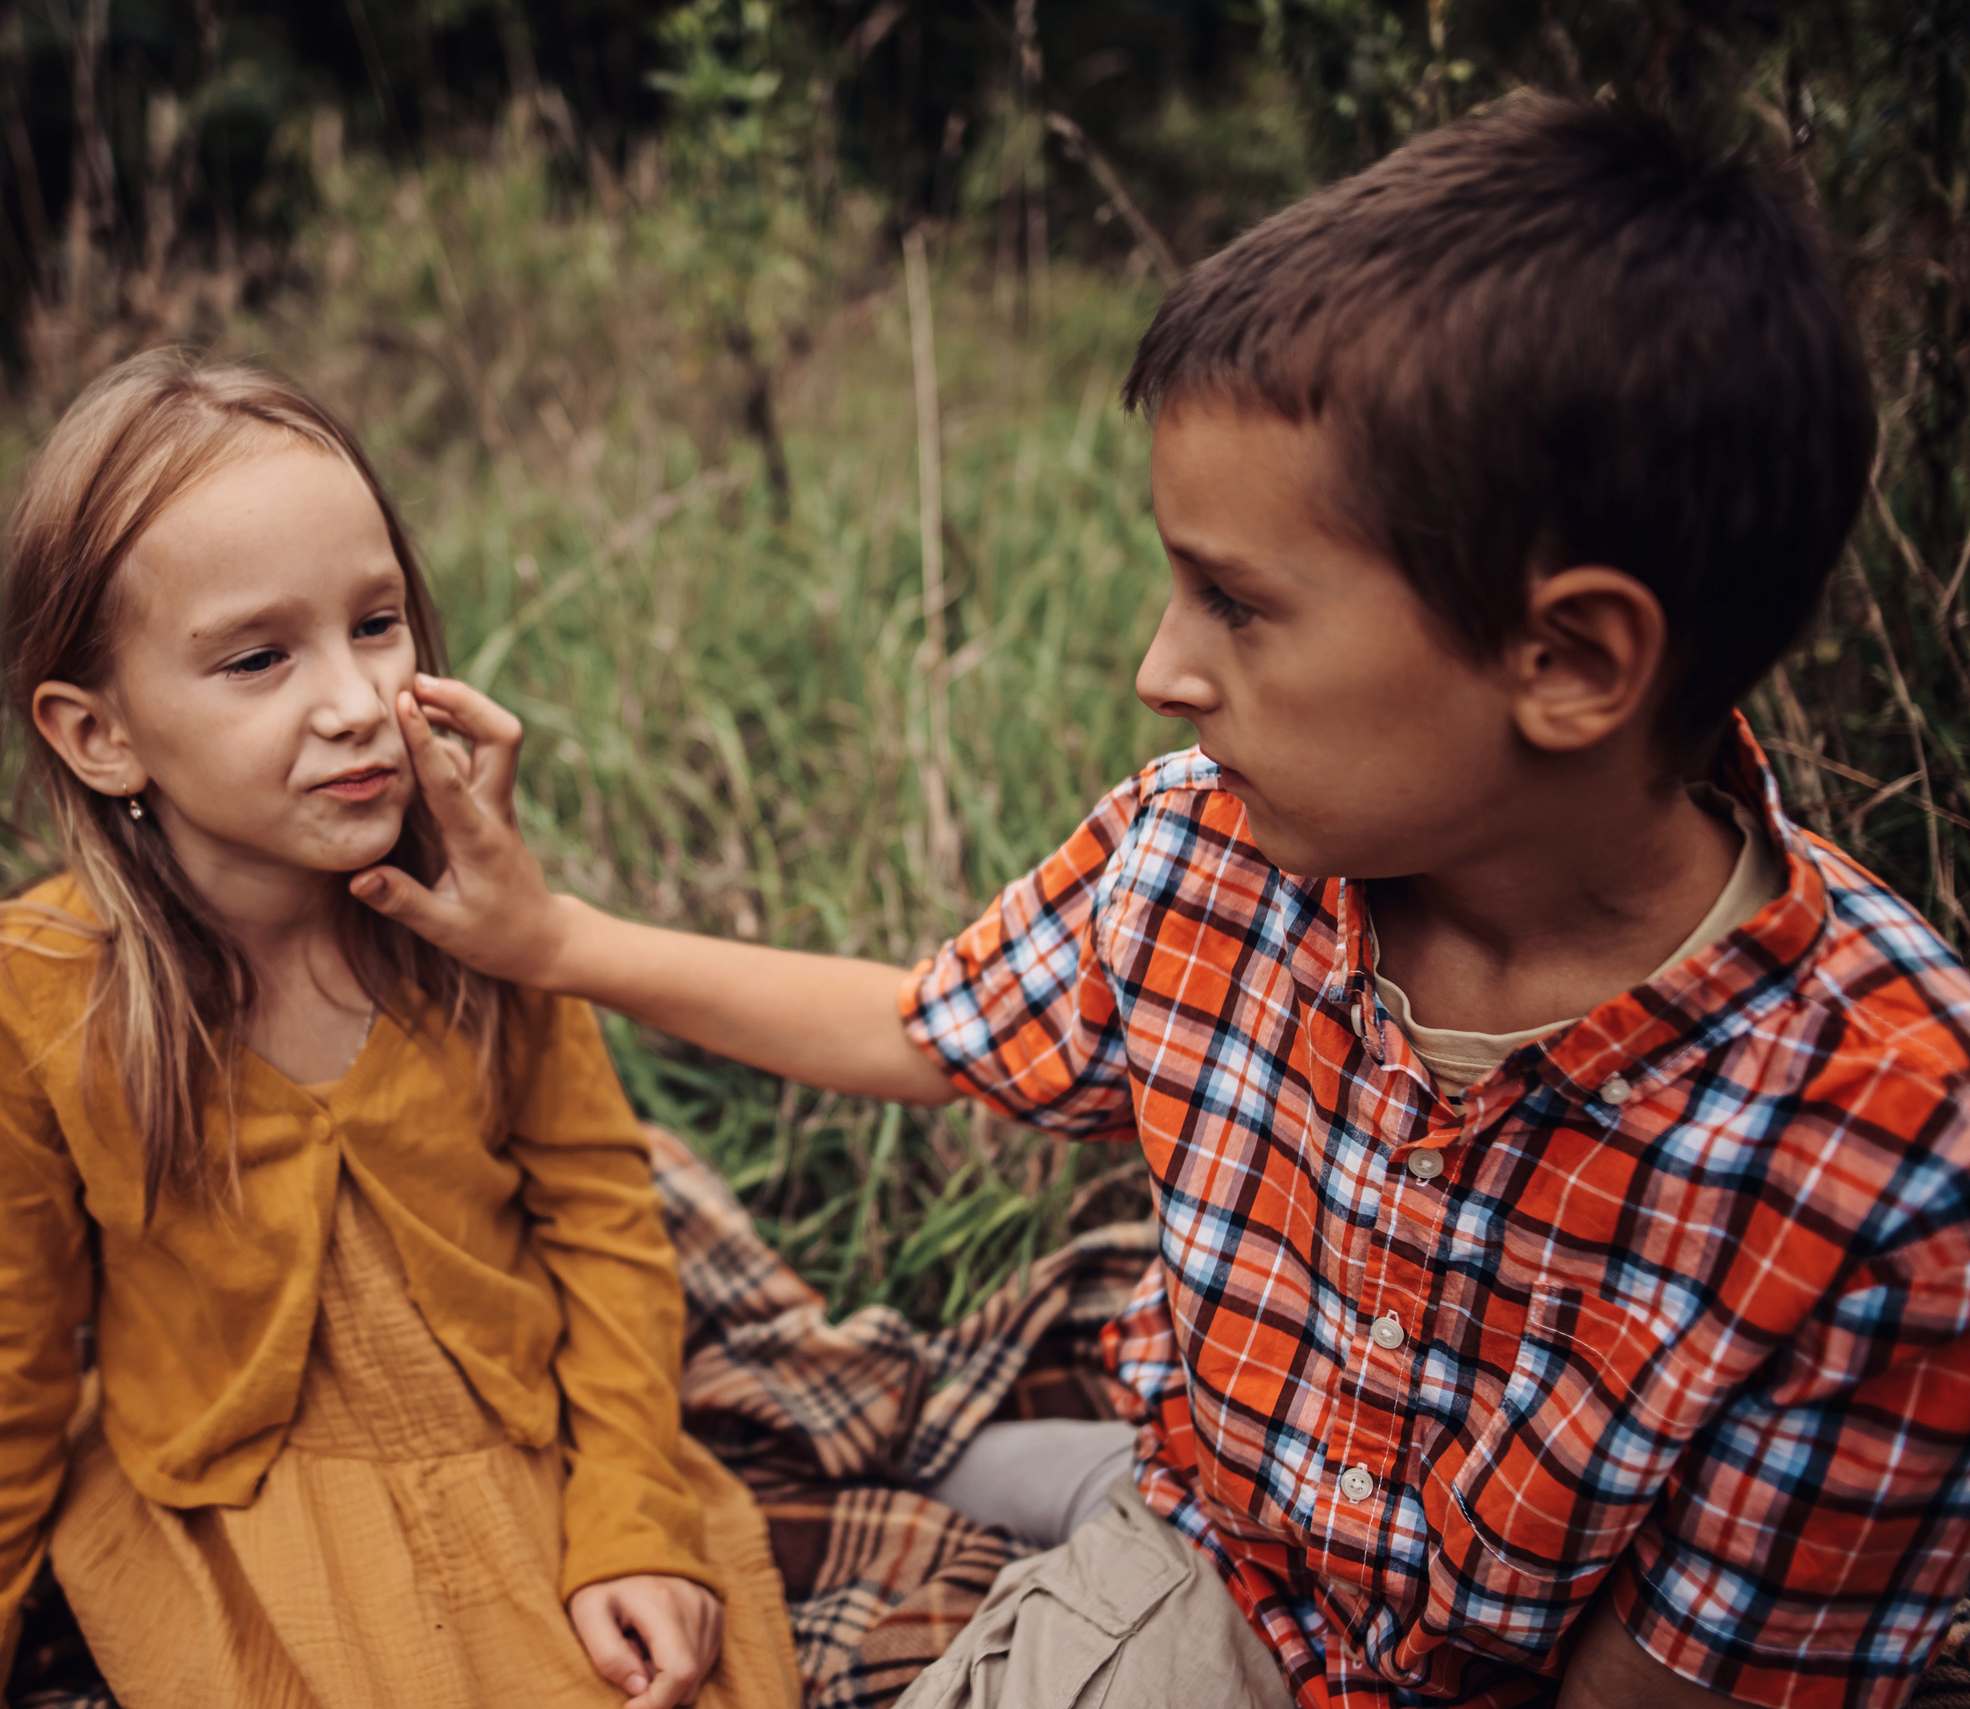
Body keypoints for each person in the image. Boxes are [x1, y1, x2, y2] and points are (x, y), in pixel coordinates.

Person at [349, 96, 1970, 1709]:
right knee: (1099, 1511)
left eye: (1238, 603)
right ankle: (1078, 1473)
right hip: (1225, 1512)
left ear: (1571, 662)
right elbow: (928, 1022)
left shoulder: (1887, 1167)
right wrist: (552, 940)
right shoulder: (1199, 852)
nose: (1158, 669)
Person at [0, 351, 804, 1709]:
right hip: (246, 1513)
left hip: (523, 1446)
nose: (356, 701)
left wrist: (633, 1522)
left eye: (377, 622)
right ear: (98, 732)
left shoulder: (479, 918)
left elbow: (600, 1218)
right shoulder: (26, 995)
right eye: (258, 657)